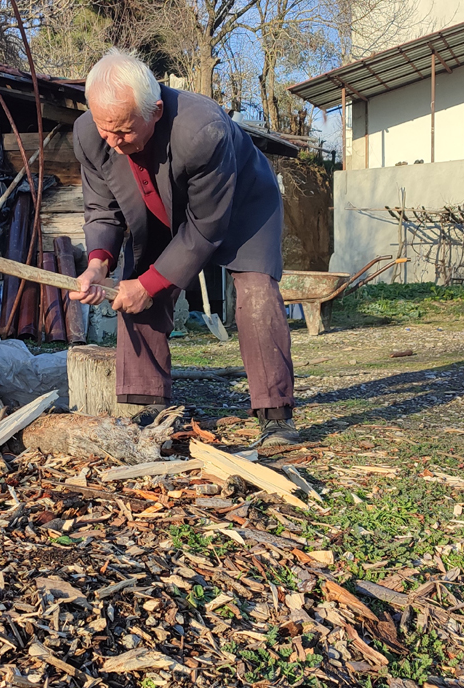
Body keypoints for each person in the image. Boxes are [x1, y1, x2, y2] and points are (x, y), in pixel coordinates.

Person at [68, 48, 299, 447]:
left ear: (155, 111)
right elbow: (102, 209)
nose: (112, 140)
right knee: (135, 287)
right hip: (156, 208)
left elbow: (205, 228)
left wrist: (153, 283)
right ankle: (152, 407)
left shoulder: (202, 130)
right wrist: (97, 264)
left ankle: (276, 414)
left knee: (256, 293)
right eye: (105, 128)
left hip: (243, 206)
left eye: (123, 131)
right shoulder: (91, 134)